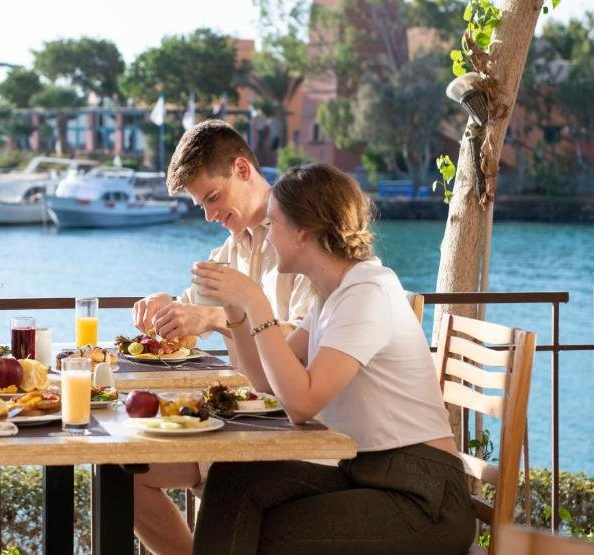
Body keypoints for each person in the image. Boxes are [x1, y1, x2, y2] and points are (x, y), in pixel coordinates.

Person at [189, 163, 474, 554]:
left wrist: (257, 304)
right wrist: (236, 311)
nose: (267, 236)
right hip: (365, 473)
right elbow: (267, 384)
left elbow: (301, 404)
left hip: (424, 497)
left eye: (273, 224)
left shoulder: (366, 294)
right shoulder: (331, 297)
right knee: (233, 479)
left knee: (274, 533)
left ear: (302, 232)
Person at [130, 120, 314, 555]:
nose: (210, 215)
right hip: (242, 422)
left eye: (212, 198)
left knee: (128, 466)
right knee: (123, 470)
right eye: (201, 206)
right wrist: (166, 306)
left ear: (242, 169)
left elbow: (306, 337)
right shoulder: (233, 246)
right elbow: (191, 310)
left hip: (295, 433)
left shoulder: (301, 234)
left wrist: (213, 317)